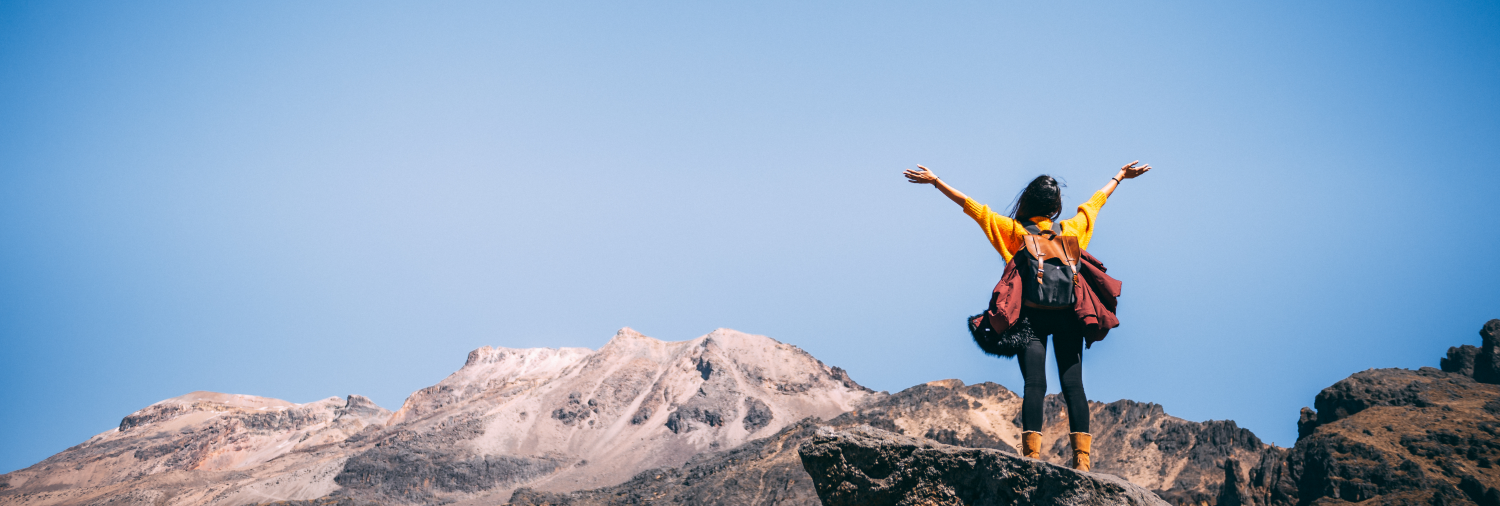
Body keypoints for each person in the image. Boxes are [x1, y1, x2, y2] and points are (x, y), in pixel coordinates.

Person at [902, 161, 1151, 471]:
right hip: (1068, 317)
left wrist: (936, 181)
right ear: (1056, 207)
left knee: (1035, 385)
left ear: (1028, 201)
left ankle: (1031, 457)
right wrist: (1120, 177)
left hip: (1030, 321)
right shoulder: (1071, 230)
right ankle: (1082, 462)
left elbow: (977, 210)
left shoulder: (1015, 232)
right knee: (1074, 386)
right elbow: (1094, 204)